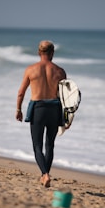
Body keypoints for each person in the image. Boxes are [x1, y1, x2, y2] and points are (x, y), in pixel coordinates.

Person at [16, 40, 66, 188]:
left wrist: (18, 109)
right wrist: (67, 118)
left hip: (38, 109)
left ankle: (45, 174)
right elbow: (66, 97)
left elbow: (21, 93)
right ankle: (45, 175)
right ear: (52, 53)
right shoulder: (60, 71)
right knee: (50, 145)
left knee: (37, 145)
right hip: (55, 109)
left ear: (39, 53)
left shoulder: (31, 70)